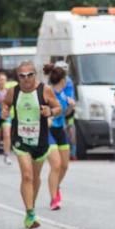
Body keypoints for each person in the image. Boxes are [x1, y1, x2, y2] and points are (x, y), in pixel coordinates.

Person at [2, 61, 62, 229]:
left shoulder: (45, 90)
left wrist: (50, 112)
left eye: (30, 75)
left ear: (35, 75)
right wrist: (5, 110)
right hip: (20, 139)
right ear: (18, 77)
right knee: (27, 175)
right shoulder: (13, 91)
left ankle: (31, 206)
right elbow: (5, 103)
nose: (26, 79)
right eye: (22, 76)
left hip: (40, 140)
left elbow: (58, 108)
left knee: (35, 178)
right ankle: (29, 214)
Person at [44, 63, 75, 210]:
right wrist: (46, 119)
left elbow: (66, 113)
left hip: (60, 129)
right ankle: (53, 198)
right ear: (63, 80)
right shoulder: (47, 93)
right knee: (55, 165)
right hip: (48, 131)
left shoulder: (63, 93)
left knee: (64, 165)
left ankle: (56, 186)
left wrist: (71, 107)